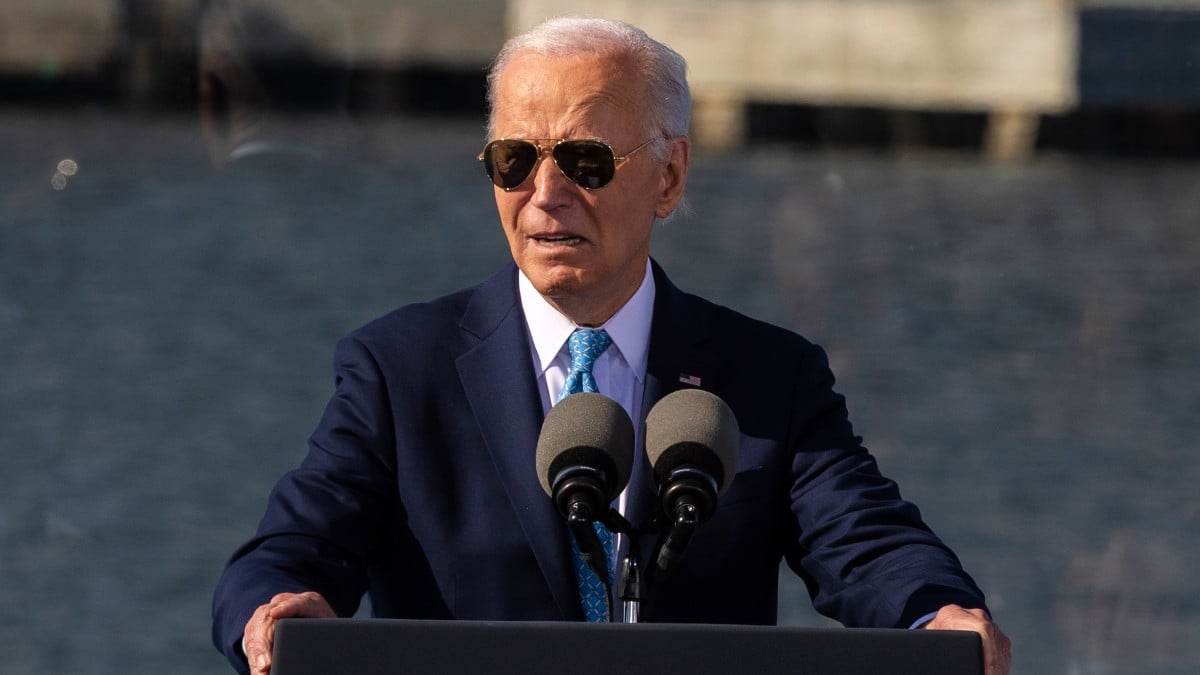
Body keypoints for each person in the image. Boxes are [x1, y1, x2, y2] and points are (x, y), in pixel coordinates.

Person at [212, 16, 1012, 675]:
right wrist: (275, 608)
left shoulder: (768, 377)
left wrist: (934, 612)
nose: (545, 195)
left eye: (586, 161)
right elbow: (289, 550)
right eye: (515, 160)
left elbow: (868, 544)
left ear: (669, 177)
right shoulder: (398, 369)